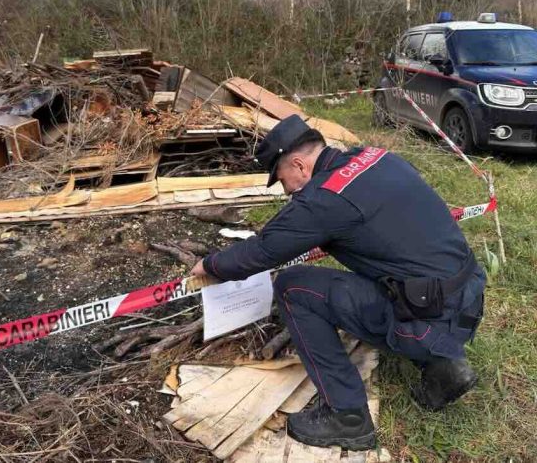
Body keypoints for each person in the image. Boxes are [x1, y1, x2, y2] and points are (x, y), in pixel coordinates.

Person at [190, 115, 485, 451]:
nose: (285, 190)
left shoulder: (324, 198)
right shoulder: (376, 157)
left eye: (281, 179)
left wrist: (209, 265)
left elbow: (261, 251)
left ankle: (346, 416)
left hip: (430, 317)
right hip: (468, 299)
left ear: (299, 164)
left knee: (292, 287)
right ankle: (445, 367)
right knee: (379, 272)